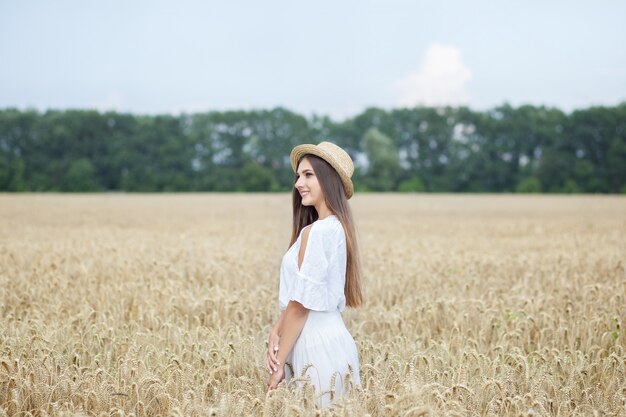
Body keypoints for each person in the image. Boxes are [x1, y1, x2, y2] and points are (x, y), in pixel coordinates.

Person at [265, 141, 363, 408]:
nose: (298, 183)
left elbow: (301, 306)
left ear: (328, 179)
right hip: (333, 339)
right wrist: (277, 329)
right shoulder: (334, 227)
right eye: (298, 175)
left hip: (315, 347)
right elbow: (301, 295)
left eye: (308, 174)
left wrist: (279, 363)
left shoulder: (317, 232)